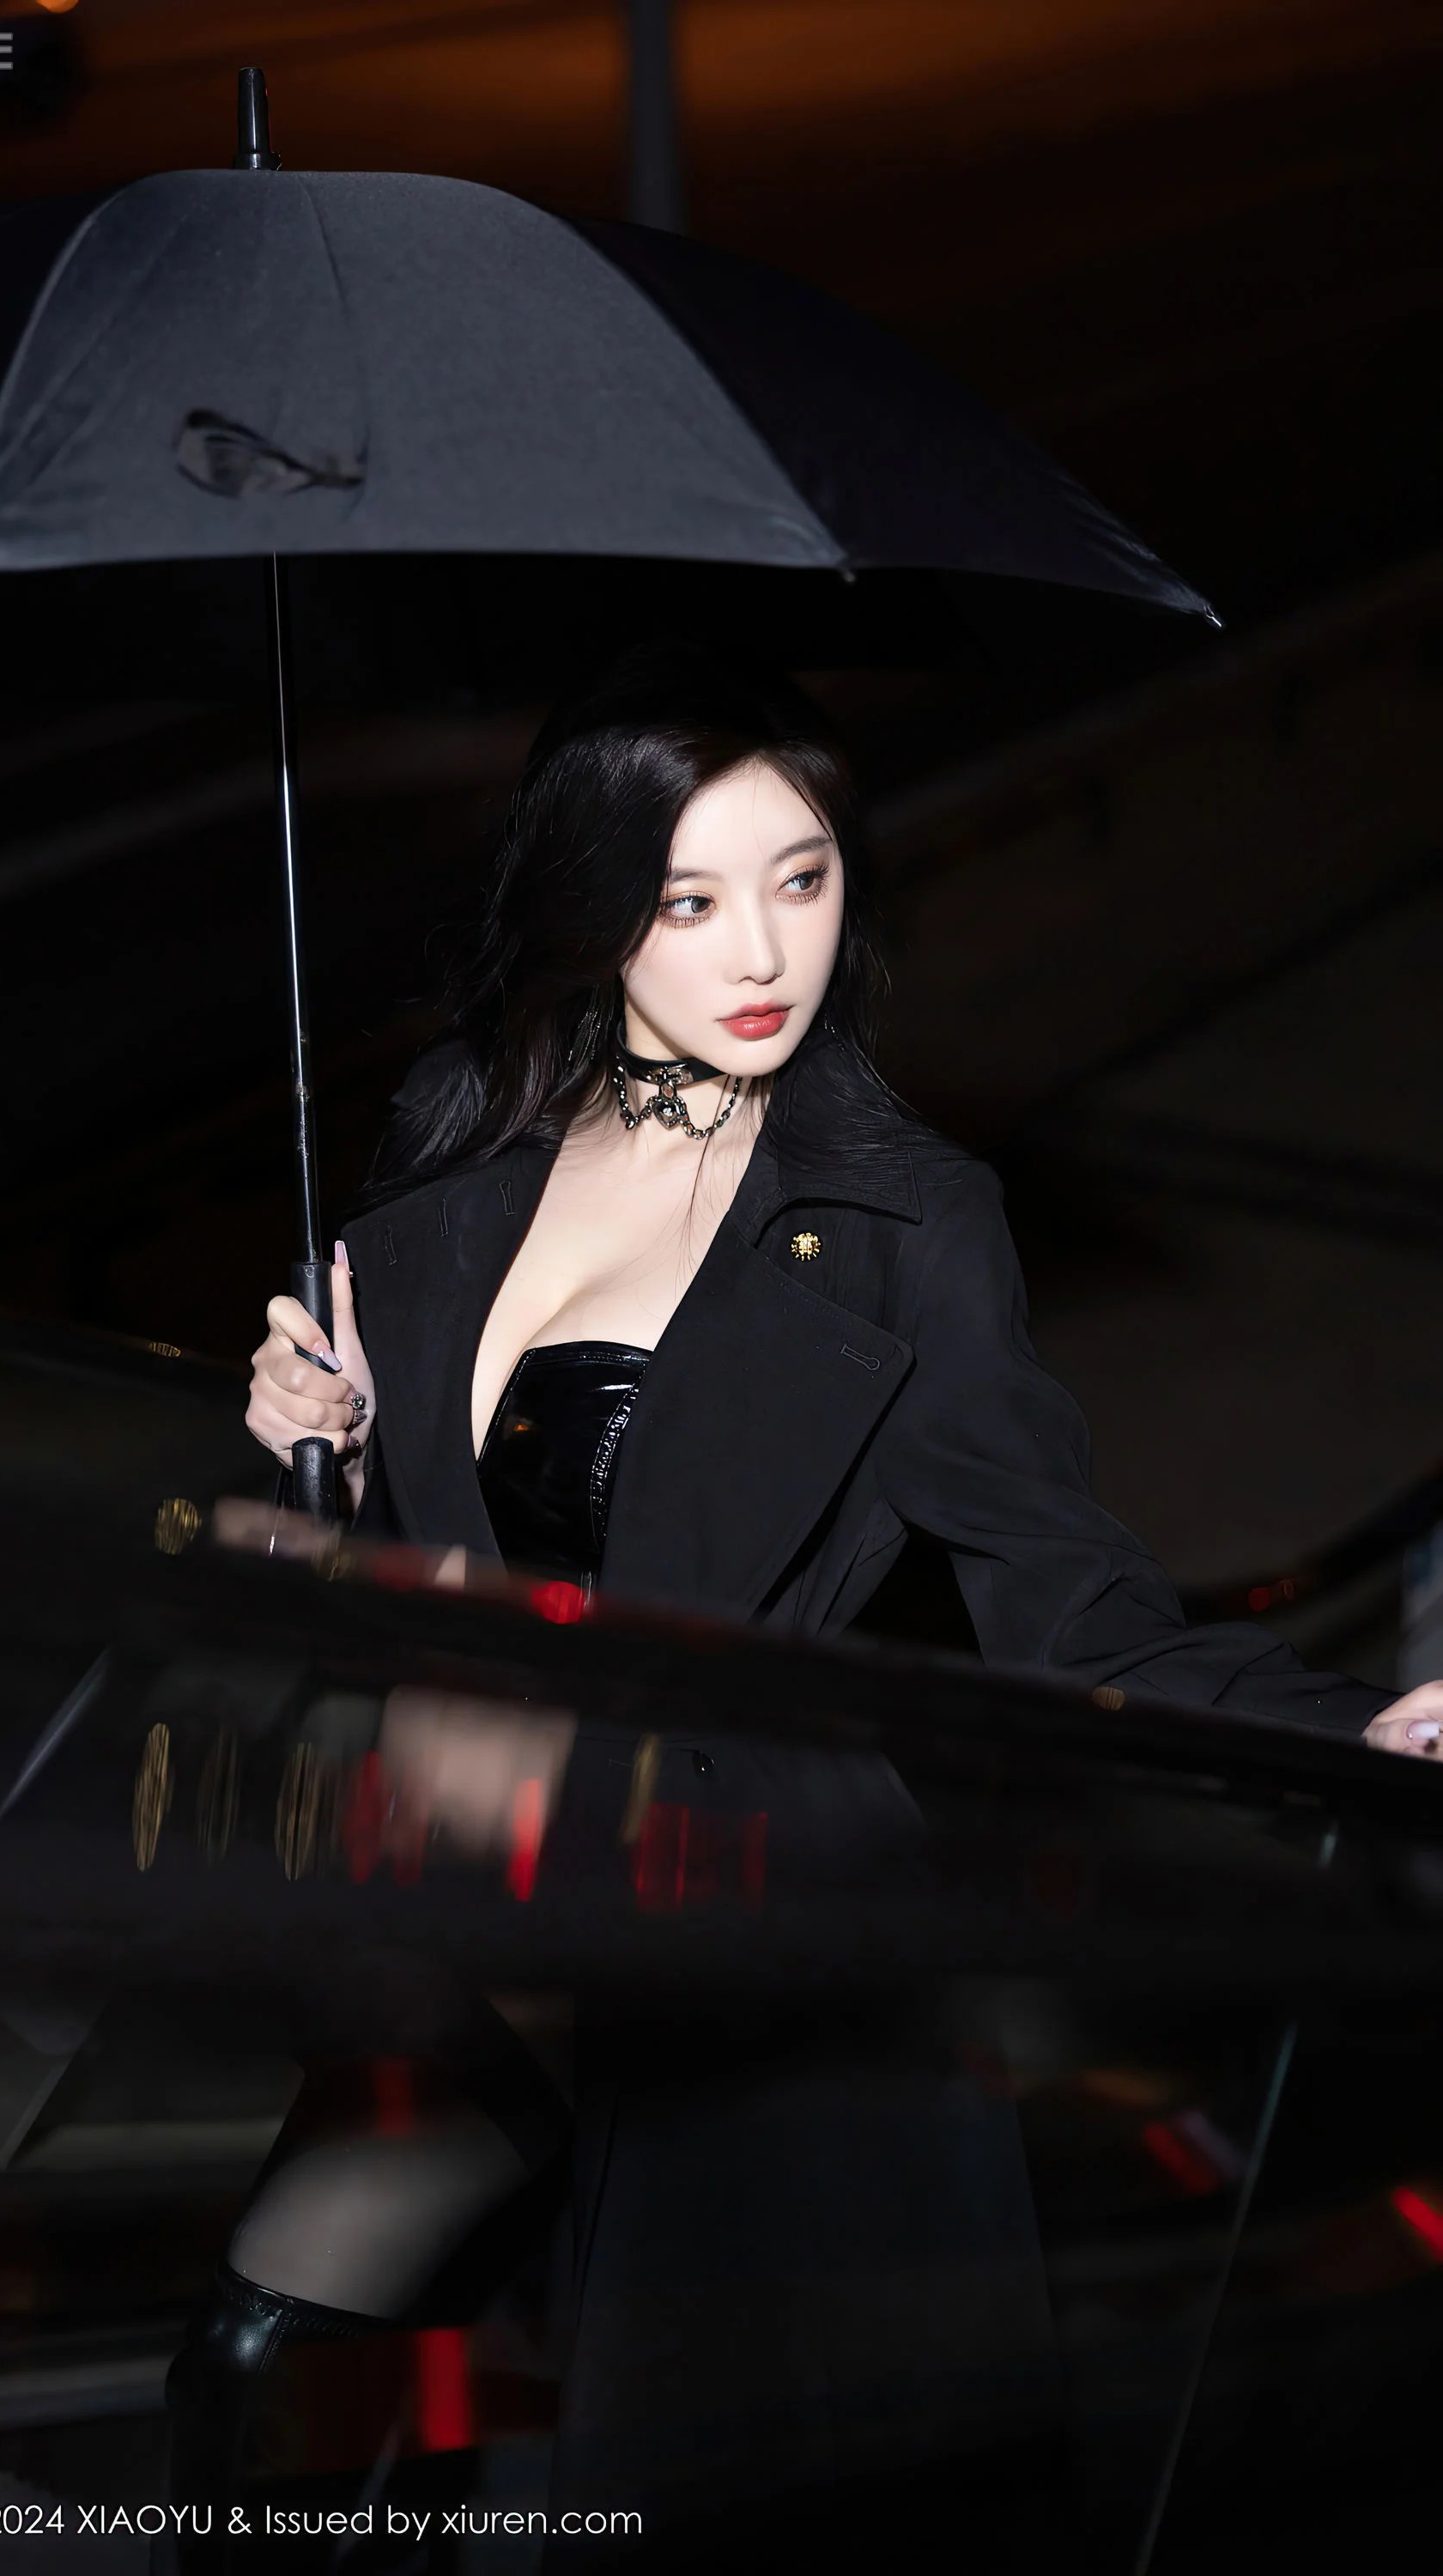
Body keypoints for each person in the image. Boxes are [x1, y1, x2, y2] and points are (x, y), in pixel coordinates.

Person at [188, 645, 1440, 2566]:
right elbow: (419, 1535)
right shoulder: (461, 1126)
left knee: (675, 2472)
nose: (763, 949)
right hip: (464, 1894)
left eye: (801, 876)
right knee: (267, 2369)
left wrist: (1350, 1725)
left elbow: (1074, 1609)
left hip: (735, 1935)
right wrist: (324, 1444)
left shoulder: (902, 1222)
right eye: (687, 899)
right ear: (592, 902)